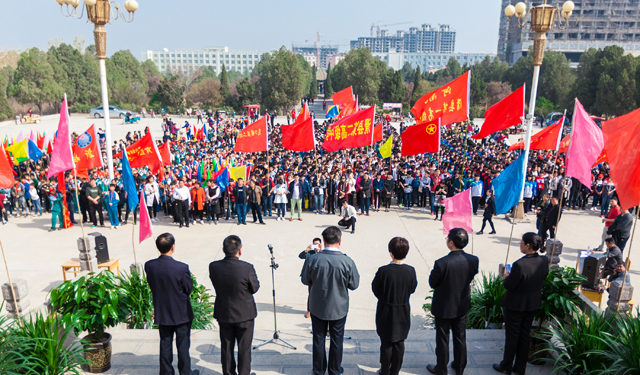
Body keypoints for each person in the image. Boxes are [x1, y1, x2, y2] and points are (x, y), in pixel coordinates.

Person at [301, 226, 360, 375]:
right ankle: (334, 369)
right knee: (337, 339)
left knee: (318, 339)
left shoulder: (313, 259)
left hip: (317, 306)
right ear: (340, 241)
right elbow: (354, 284)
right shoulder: (347, 261)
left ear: (324, 242)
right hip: (338, 307)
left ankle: (319, 369)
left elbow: (304, 280)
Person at [493, 232, 549, 375]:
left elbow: (509, 285)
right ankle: (520, 367)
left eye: (521, 243)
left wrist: (507, 277)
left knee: (512, 336)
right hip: (532, 303)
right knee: (525, 335)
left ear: (528, 245)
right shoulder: (544, 261)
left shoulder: (520, 264)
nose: (520, 245)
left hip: (515, 305)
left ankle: (506, 365)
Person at [145, 233, 199, 375]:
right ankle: (185, 372)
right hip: (181, 312)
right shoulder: (181, 268)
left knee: (165, 344)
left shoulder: (149, 266)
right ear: (173, 247)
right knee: (183, 346)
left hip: (163, 311)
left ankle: (166, 372)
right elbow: (188, 289)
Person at [427, 228, 479, 375]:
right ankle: (460, 366)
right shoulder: (473, 260)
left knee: (443, 338)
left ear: (450, 242)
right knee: (460, 336)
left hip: (444, 306)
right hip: (461, 304)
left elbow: (433, 282)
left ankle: (441, 368)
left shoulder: (442, 263)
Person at [209, 235, 259, 375]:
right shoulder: (247, 268)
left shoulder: (214, 267)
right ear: (240, 250)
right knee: (244, 348)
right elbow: (254, 288)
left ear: (223, 250)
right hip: (244, 313)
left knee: (226, 347)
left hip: (224, 312)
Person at [372, 237, 417, 375]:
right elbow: (412, 288)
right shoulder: (411, 271)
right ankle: (395, 370)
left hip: (386, 309)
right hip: (402, 309)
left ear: (390, 252)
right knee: (399, 343)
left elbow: (375, 288)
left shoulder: (383, 271)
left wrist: (385, 298)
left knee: (386, 343)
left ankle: (385, 370)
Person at [299, 237, 324, 318]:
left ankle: (321, 310)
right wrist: (306, 250)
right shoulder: (310, 253)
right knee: (311, 294)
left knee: (322, 294)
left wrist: (321, 251)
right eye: (315, 244)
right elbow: (301, 256)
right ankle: (309, 310)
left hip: (321, 276)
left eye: (318, 244)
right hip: (311, 276)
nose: (316, 245)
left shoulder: (323, 253)